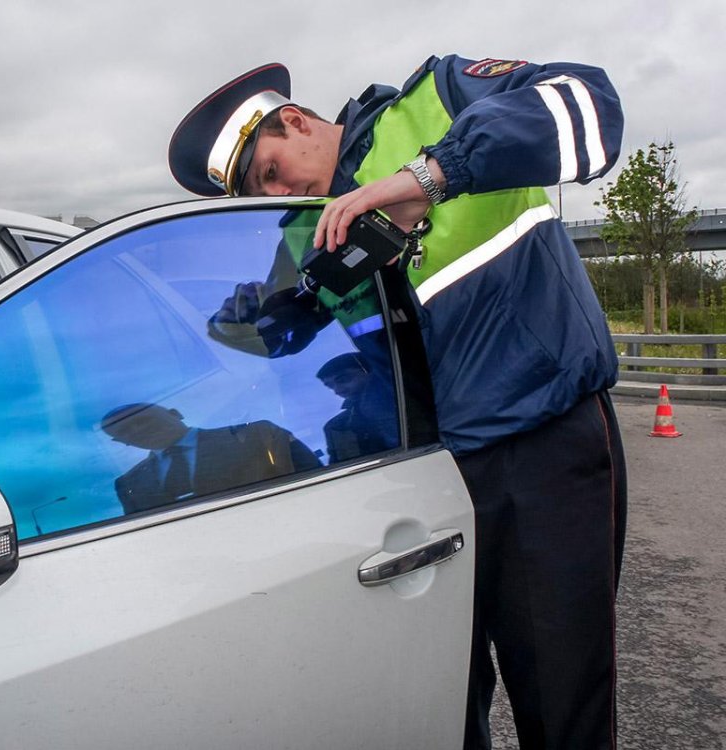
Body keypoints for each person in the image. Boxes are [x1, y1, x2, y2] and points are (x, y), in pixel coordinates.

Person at [168, 56, 628, 750]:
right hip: (424, 480)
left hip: (538, 445)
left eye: (271, 172)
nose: (281, 193)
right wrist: (239, 317)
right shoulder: (304, 231)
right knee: (437, 704)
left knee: (561, 698)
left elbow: (588, 104)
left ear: (294, 121)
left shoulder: (435, 101)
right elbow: (280, 339)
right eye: (262, 192)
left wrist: (430, 176)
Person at [100, 403, 320, 514]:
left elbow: (315, 482)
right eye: (125, 431)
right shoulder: (129, 484)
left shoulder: (258, 435)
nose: (138, 431)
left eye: (142, 420)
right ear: (121, 442)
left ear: (175, 413)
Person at [315, 353, 398, 464]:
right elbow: (340, 468)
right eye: (330, 386)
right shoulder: (335, 427)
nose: (337, 390)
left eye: (343, 380)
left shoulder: (401, 399)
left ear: (368, 371)